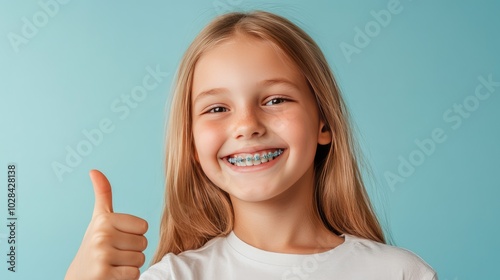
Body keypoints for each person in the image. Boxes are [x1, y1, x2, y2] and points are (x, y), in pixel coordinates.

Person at [65, 10, 437, 280]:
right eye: (217, 108)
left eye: (275, 100)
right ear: (193, 145)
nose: (246, 126)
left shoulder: (400, 273)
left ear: (324, 122)